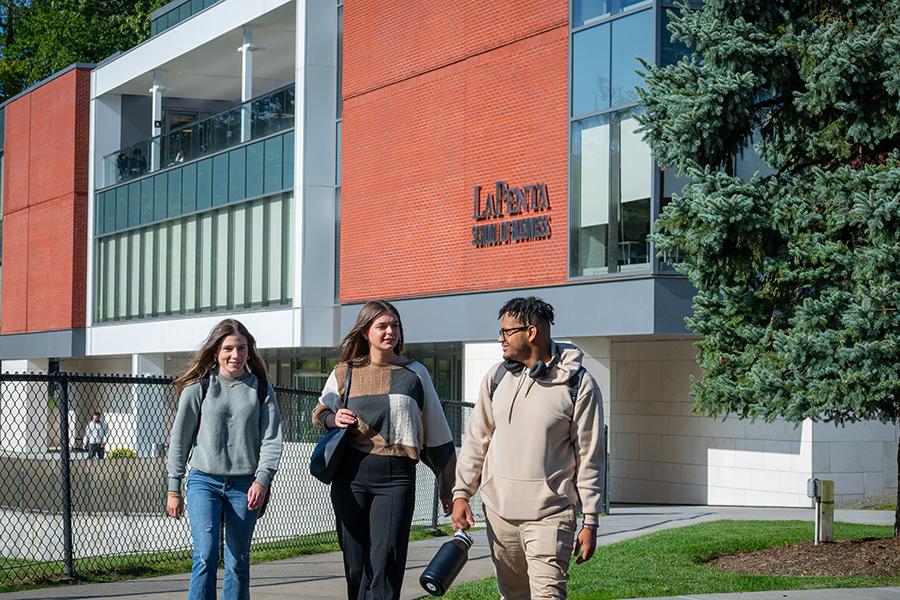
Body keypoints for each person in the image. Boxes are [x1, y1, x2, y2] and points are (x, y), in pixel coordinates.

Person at [451, 296, 605, 599]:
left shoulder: (578, 384)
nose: (501, 339)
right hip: (499, 514)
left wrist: (591, 520)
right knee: (512, 597)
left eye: (507, 332)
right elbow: (476, 440)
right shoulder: (497, 377)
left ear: (531, 332)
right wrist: (461, 493)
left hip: (551, 515)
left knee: (547, 595)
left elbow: (590, 455)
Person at [313, 300, 457, 600]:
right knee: (355, 565)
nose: (390, 331)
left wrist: (449, 488)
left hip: (396, 476)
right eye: (382, 326)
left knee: (386, 563)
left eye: (395, 325)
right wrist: (333, 417)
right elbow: (320, 412)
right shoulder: (345, 372)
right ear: (366, 332)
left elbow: (437, 431)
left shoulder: (415, 374)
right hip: (349, 475)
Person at [165, 318, 283, 600]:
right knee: (205, 554)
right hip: (204, 481)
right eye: (228, 348)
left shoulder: (262, 390)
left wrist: (262, 481)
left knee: (238, 560)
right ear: (216, 351)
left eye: (241, 348)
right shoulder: (199, 388)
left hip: (246, 485)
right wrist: (173, 487)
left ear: (249, 350)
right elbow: (180, 439)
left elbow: (271, 439)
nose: (235, 355)